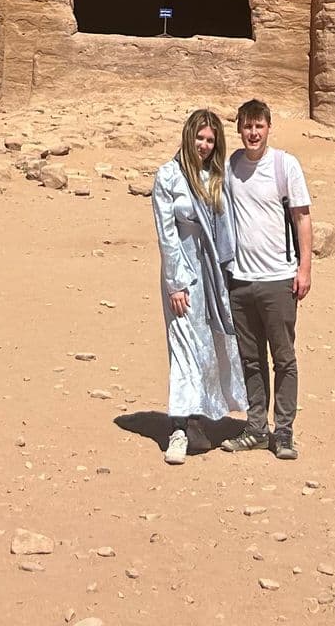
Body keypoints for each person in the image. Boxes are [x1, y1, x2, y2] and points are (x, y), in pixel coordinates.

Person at [150, 107, 245, 465]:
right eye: (200, 138)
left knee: (210, 345)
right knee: (184, 345)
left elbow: (227, 228)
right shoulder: (169, 176)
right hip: (183, 274)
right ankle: (177, 429)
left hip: (213, 275)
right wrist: (175, 282)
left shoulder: (215, 177)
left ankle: (197, 421)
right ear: (188, 136)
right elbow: (167, 235)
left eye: (210, 140)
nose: (204, 145)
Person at [222, 98, 312, 460]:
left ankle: (284, 432)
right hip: (241, 280)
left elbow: (302, 217)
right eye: (247, 126)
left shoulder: (284, 165)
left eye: (259, 126)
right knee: (251, 359)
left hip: (278, 279)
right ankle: (256, 428)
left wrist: (304, 268)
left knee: (284, 358)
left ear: (268, 128)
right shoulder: (231, 167)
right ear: (239, 129)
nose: (253, 133)